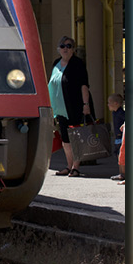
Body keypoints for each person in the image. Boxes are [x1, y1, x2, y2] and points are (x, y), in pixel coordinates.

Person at [47, 35, 92, 177]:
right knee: (65, 139)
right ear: (58, 49)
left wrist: (86, 104)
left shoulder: (77, 64)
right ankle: (69, 165)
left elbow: (84, 85)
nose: (65, 49)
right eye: (63, 46)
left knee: (76, 138)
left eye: (69, 46)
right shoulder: (56, 63)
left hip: (75, 106)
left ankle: (76, 168)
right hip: (60, 109)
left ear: (73, 50)